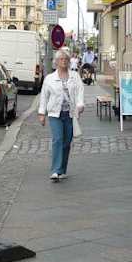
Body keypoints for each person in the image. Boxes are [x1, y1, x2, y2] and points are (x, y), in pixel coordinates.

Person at [38, 51, 85, 182]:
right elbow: (44, 96)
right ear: (56, 62)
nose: (64, 61)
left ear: (69, 61)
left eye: (66, 59)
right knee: (57, 139)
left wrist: (80, 105)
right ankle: (55, 170)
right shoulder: (49, 78)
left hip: (69, 114)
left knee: (66, 143)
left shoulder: (75, 76)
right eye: (61, 59)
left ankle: (62, 170)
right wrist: (42, 113)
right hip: (55, 114)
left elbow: (80, 91)